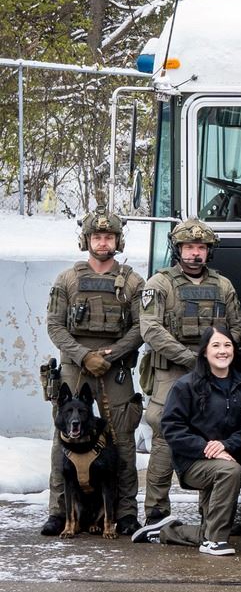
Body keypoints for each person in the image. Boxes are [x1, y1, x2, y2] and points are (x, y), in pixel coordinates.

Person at [138, 218, 241, 526]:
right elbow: (151, 329)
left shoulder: (222, 285)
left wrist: (218, 353)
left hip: (213, 371)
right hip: (172, 371)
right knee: (163, 437)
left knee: (213, 434)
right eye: (189, 247)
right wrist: (192, 358)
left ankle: (212, 512)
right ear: (178, 249)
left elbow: (238, 326)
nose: (195, 254)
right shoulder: (160, 284)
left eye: (200, 248)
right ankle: (156, 512)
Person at [44, 211, 145, 536]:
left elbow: (141, 326)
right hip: (75, 368)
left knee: (122, 440)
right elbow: (55, 326)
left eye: (109, 237)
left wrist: (112, 354)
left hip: (115, 371)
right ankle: (59, 512)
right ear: (86, 241)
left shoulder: (132, 281)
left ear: (118, 241)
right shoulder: (67, 280)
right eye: (97, 237)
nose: (103, 242)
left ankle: (125, 514)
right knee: (64, 440)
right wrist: (83, 355)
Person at [135, 326, 241, 555]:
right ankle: (214, 542)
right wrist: (207, 449)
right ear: (205, 352)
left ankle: (164, 532)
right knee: (230, 474)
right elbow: (171, 428)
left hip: (230, 460)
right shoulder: (187, 385)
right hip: (194, 462)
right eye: (216, 346)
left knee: (214, 525)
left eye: (227, 345)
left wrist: (226, 445)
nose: (222, 351)